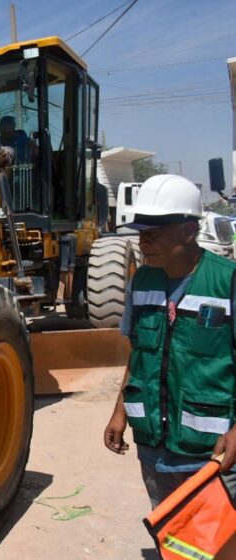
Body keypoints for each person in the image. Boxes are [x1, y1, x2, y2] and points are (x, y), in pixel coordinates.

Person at [103, 175, 236, 510]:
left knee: (219, 544)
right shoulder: (142, 280)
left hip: (212, 453)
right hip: (153, 449)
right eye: (141, 231)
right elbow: (139, 355)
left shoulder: (227, 280)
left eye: (155, 231)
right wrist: (119, 412)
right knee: (172, 535)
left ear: (189, 230)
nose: (143, 240)